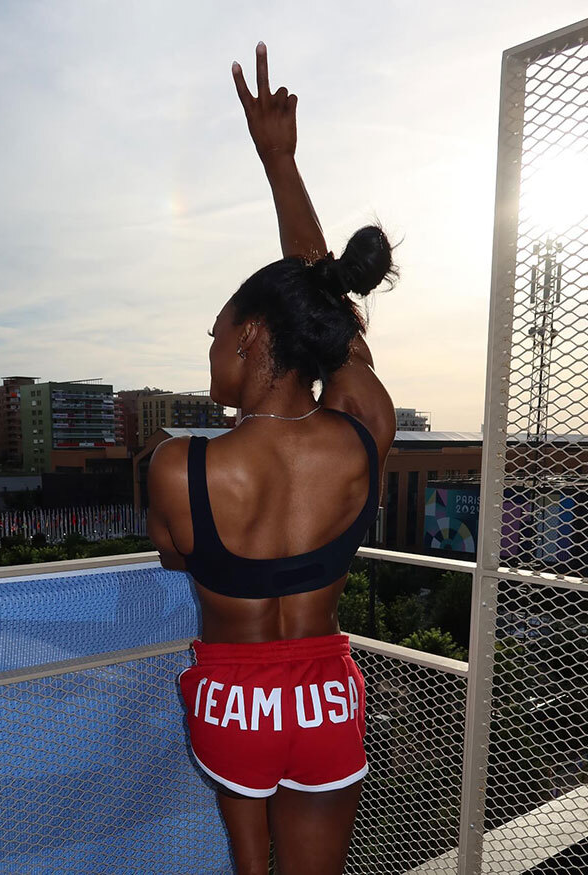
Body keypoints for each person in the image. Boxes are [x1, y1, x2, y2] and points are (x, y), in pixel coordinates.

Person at [148, 42, 397, 875]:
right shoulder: (363, 429)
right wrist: (282, 166)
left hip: (233, 696)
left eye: (217, 333)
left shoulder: (180, 465)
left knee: (249, 865)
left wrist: (272, 155)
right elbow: (333, 313)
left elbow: (174, 553)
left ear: (253, 336)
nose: (210, 348)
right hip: (325, 695)